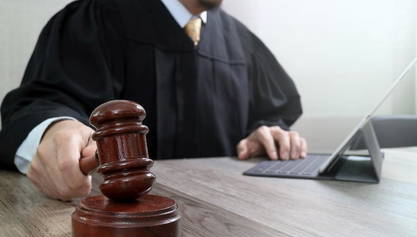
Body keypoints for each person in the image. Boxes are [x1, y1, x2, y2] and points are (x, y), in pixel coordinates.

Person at [0, 0, 308, 201]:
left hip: (226, 226)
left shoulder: (242, 41)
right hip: (116, 235)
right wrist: (55, 129)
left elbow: (274, 108)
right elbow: (45, 99)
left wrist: (265, 129)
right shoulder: (100, 15)